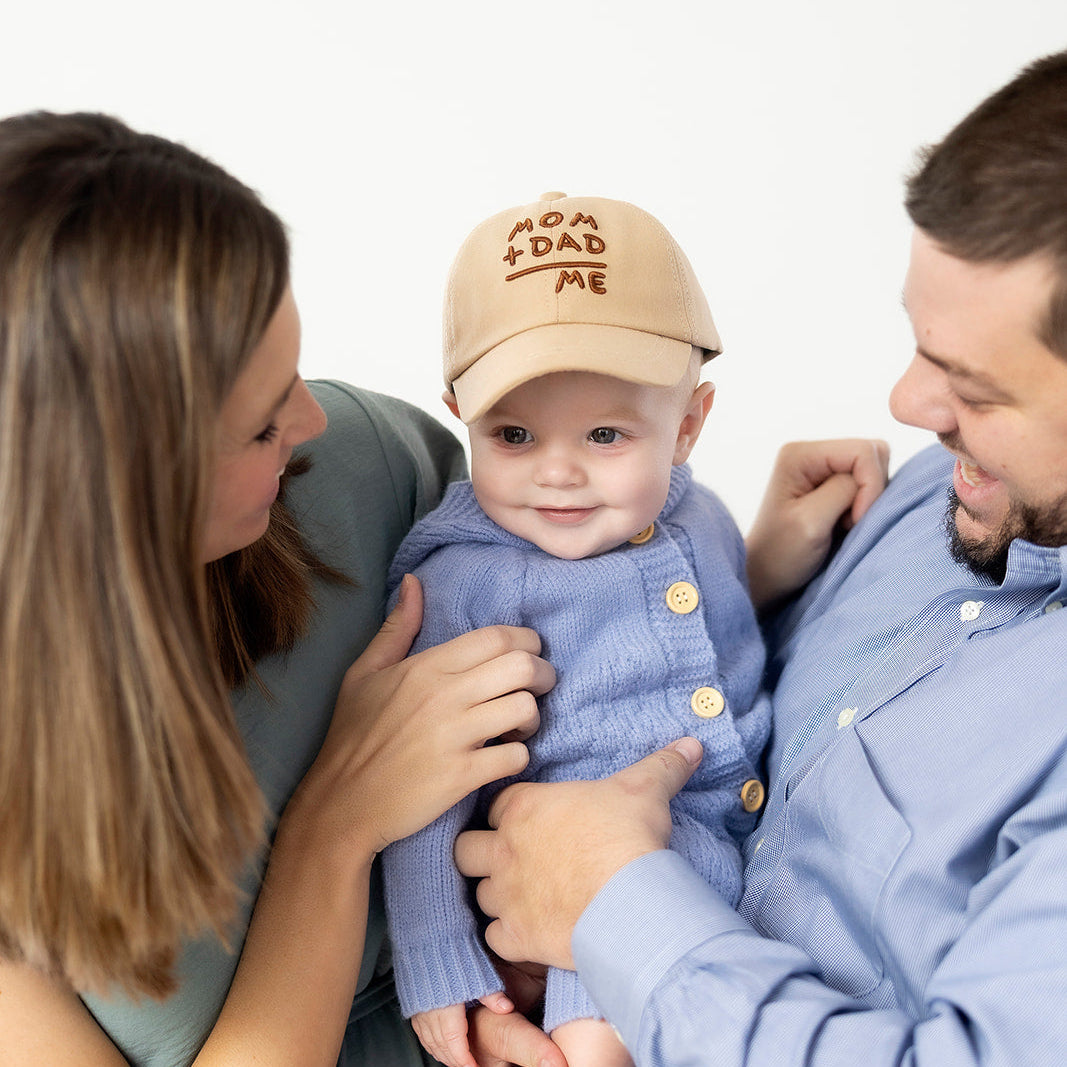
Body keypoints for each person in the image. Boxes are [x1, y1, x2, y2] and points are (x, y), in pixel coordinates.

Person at [454, 48, 1067, 1066]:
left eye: (975, 387)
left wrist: (611, 905)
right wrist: (763, 585)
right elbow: (761, 727)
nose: (907, 407)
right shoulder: (947, 493)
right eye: (918, 343)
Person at [0, 111, 566, 1067]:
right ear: (114, 490)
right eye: (261, 426)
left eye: (295, 375)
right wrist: (338, 823)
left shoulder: (367, 468)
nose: (309, 421)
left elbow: (606, 641)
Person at [382, 193, 774, 1067]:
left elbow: (727, 624)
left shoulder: (699, 515)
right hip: (583, 885)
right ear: (458, 411)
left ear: (688, 424)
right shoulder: (466, 583)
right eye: (513, 434)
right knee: (594, 1048)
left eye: (604, 433)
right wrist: (436, 960)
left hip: (744, 857)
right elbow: (420, 795)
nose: (557, 473)